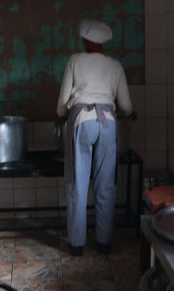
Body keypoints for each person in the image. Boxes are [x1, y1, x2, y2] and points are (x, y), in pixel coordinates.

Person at [56, 19, 136, 256]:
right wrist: (132, 114)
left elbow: (63, 101)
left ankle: (77, 244)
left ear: (86, 41)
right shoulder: (115, 65)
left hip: (82, 121)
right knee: (105, 184)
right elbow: (125, 104)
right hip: (108, 124)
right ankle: (103, 242)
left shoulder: (75, 60)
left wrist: (58, 116)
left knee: (78, 184)